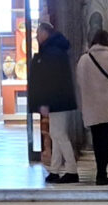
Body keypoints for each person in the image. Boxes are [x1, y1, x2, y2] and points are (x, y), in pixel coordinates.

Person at [74, 26, 108, 186]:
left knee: (97, 139)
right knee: (106, 139)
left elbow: (80, 81)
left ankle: (99, 171)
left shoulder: (84, 59)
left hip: (91, 105)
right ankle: (102, 173)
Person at [27, 21, 80, 182]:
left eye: (38, 33)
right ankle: (55, 170)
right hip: (60, 99)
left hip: (57, 100)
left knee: (59, 134)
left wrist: (45, 102)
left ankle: (72, 170)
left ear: (45, 33)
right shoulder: (55, 50)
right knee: (56, 134)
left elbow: (50, 80)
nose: (36, 37)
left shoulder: (52, 53)